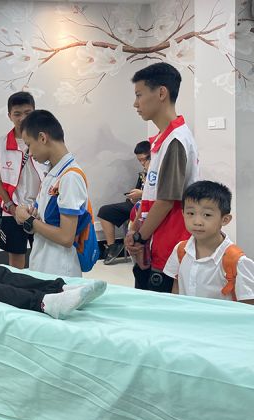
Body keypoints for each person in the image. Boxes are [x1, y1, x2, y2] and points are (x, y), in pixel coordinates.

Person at [125, 62, 199, 292]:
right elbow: (152, 194)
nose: (135, 103)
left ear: (161, 93)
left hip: (168, 245)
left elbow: (166, 201)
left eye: (139, 95)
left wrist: (139, 237)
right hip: (155, 242)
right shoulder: (162, 139)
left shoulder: (176, 140)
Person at [14, 110, 92, 278]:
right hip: (43, 264)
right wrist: (30, 217)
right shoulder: (53, 174)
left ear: (43, 138)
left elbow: (66, 237)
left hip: (60, 271)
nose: (29, 153)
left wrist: (29, 220)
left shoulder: (70, 177)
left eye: (29, 145)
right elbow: (44, 222)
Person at [163, 181, 254, 304]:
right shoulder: (180, 250)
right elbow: (177, 287)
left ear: (225, 219)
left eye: (207, 215)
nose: (197, 222)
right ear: (183, 214)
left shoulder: (237, 261)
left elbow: (249, 306)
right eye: (191, 213)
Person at [0, 91, 49, 268]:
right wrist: (11, 206)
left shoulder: (45, 139)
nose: (22, 118)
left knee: (43, 256)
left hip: (41, 211)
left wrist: (42, 205)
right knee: (16, 258)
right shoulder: (1, 144)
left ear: (34, 112)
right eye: (17, 113)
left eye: (27, 112)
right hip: (12, 211)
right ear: (9, 115)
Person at [98, 140, 150, 265]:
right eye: (139, 160)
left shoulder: (158, 172)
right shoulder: (143, 173)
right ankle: (112, 247)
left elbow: (158, 195)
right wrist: (134, 196)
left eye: (144, 159)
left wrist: (141, 194)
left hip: (148, 206)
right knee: (104, 211)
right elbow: (138, 190)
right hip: (136, 204)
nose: (142, 163)